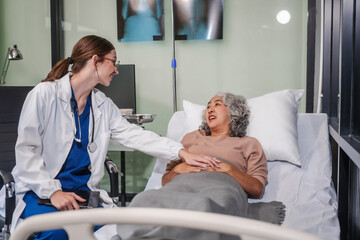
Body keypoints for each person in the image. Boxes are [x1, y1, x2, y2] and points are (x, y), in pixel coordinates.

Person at [4, 35, 218, 239]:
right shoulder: (44, 95)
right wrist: (52, 193)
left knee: (114, 229)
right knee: (58, 232)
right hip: (40, 191)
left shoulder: (102, 104)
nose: (116, 70)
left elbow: (134, 135)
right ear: (95, 60)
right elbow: (26, 151)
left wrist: (180, 152)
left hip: (82, 194)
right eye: (113, 62)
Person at [115, 92, 285, 240]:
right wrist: (177, 170)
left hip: (221, 188)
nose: (210, 109)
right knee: (142, 200)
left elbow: (257, 189)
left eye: (217, 104)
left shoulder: (249, 144)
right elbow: (165, 180)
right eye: (208, 106)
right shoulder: (191, 138)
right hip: (180, 186)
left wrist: (228, 169)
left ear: (234, 112)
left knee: (202, 207)